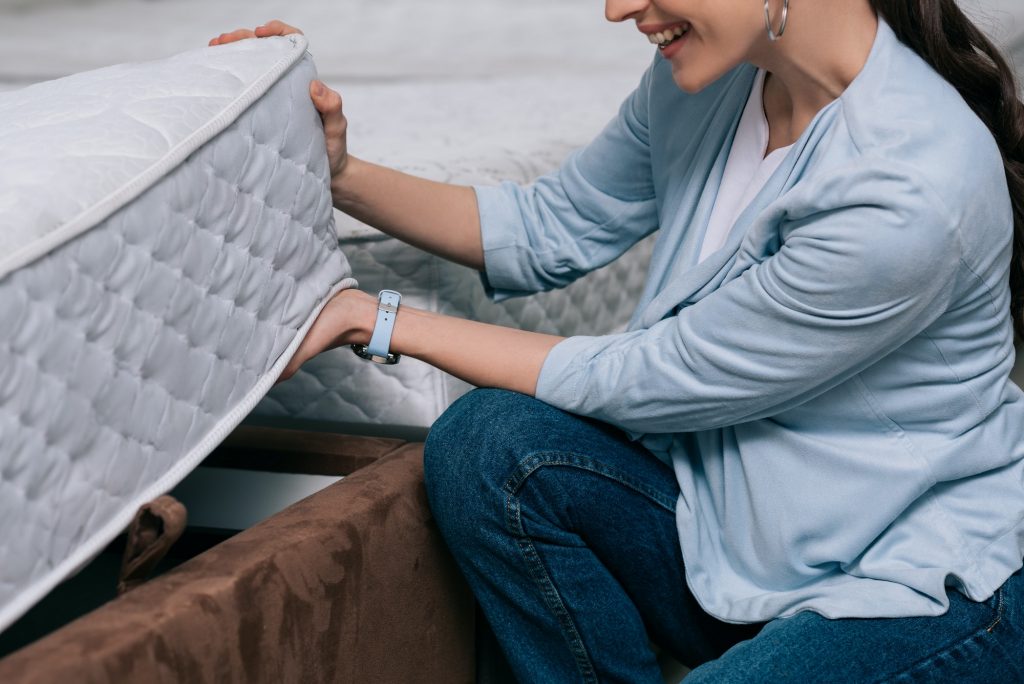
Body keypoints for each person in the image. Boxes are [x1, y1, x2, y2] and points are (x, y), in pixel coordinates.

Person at [211, 1, 1024, 680]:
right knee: (489, 440)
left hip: (909, 580)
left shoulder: (908, 186)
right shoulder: (714, 86)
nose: (616, 7)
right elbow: (547, 226)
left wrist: (376, 317)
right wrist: (339, 173)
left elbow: (658, 376)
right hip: (734, 539)